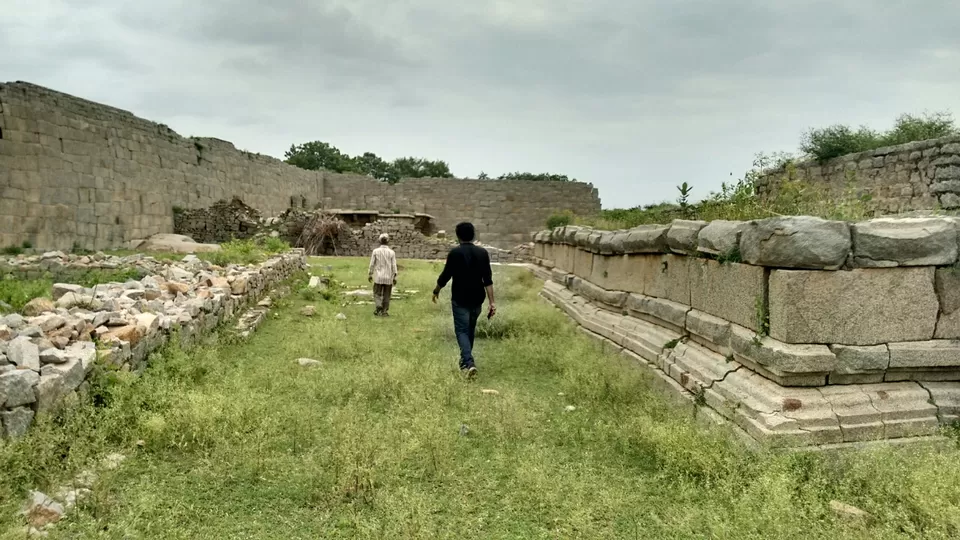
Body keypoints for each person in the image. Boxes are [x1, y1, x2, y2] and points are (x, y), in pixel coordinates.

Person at [432, 222, 496, 378]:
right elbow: (487, 280)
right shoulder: (483, 253)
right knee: (469, 330)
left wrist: (436, 290)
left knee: (461, 330)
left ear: (458, 235)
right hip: (477, 299)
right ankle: (465, 361)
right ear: (473, 235)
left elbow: (446, 275)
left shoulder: (455, 253)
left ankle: (468, 363)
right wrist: (492, 302)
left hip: (460, 299)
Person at [368, 233, 398, 316]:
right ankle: (384, 311)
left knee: (377, 293)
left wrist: (370, 274)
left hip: (378, 276)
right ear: (388, 241)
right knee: (387, 295)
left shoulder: (375, 251)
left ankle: (378, 306)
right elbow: (393, 265)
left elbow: (372, 264)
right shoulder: (392, 252)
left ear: (379, 241)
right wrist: (395, 276)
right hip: (389, 277)